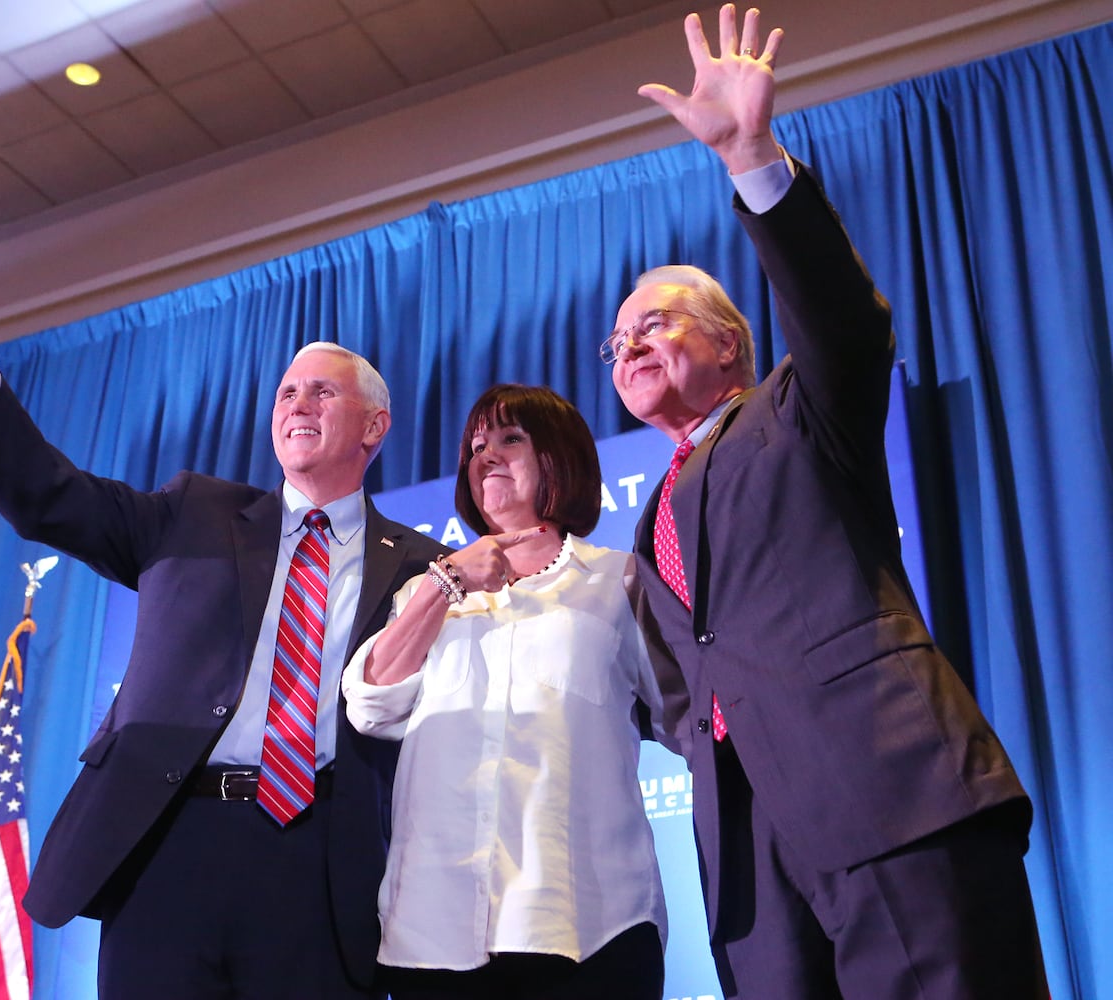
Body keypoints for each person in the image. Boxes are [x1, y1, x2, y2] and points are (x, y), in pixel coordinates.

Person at [610, 6, 1049, 998]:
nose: (631, 344)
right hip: (755, 877)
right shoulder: (649, 521)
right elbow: (682, 686)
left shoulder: (800, 414)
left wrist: (753, 160)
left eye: (657, 324)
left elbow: (843, 319)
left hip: (891, 799)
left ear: (730, 343)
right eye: (619, 340)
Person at [0, 240, 439, 1000]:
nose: (298, 404)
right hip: (170, 845)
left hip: (321, 866)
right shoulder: (193, 514)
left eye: (323, 393)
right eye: (288, 392)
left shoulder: (423, 568)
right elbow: (45, 496)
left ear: (375, 427)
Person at [340, 384, 681, 1000]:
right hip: (435, 936)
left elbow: (686, 716)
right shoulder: (424, 592)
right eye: (475, 447)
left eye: (510, 439)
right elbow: (369, 704)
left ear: (560, 456)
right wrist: (445, 583)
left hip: (589, 924)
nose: (486, 457)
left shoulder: (619, 581)